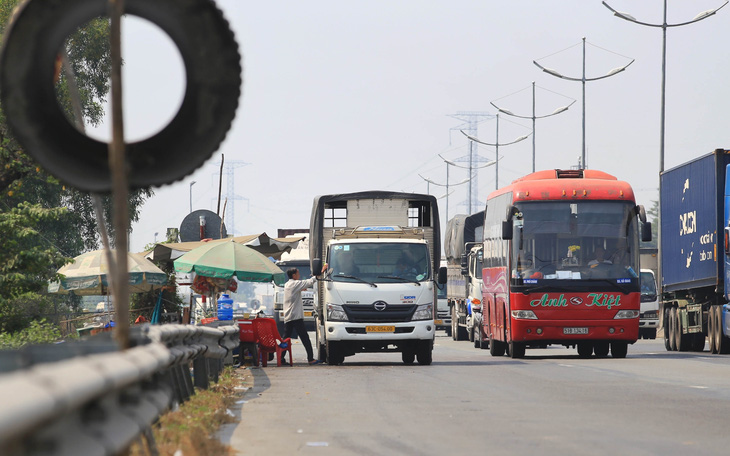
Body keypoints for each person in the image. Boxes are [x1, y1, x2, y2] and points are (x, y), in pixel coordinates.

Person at [282, 264, 327, 365]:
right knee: (305, 338)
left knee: (286, 338)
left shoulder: (288, 284)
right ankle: (311, 359)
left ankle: (281, 357)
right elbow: (309, 282)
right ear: (294, 275)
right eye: (298, 273)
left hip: (289, 316)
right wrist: (321, 272)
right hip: (295, 316)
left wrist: (301, 289)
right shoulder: (294, 284)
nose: (299, 275)